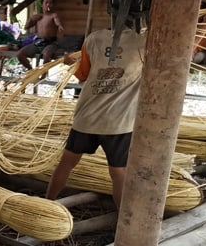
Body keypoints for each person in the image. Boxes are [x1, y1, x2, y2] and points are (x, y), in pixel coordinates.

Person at [45, 24, 148, 208]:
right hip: (117, 123)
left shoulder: (94, 39)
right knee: (118, 173)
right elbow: (185, 52)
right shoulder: (145, 41)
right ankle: (122, 222)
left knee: (66, 164)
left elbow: (83, 75)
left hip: (86, 118)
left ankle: (47, 202)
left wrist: (71, 63)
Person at [17, 0, 65, 70]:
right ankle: (31, 70)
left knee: (46, 55)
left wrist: (60, 26)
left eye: (50, 3)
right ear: (42, 5)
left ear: (53, 5)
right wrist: (31, 19)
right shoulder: (38, 17)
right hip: (38, 42)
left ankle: (43, 73)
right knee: (20, 54)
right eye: (46, 3)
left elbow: (57, 21)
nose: (48, 5)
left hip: (50, 43)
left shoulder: (53, 15)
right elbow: (26, 27)